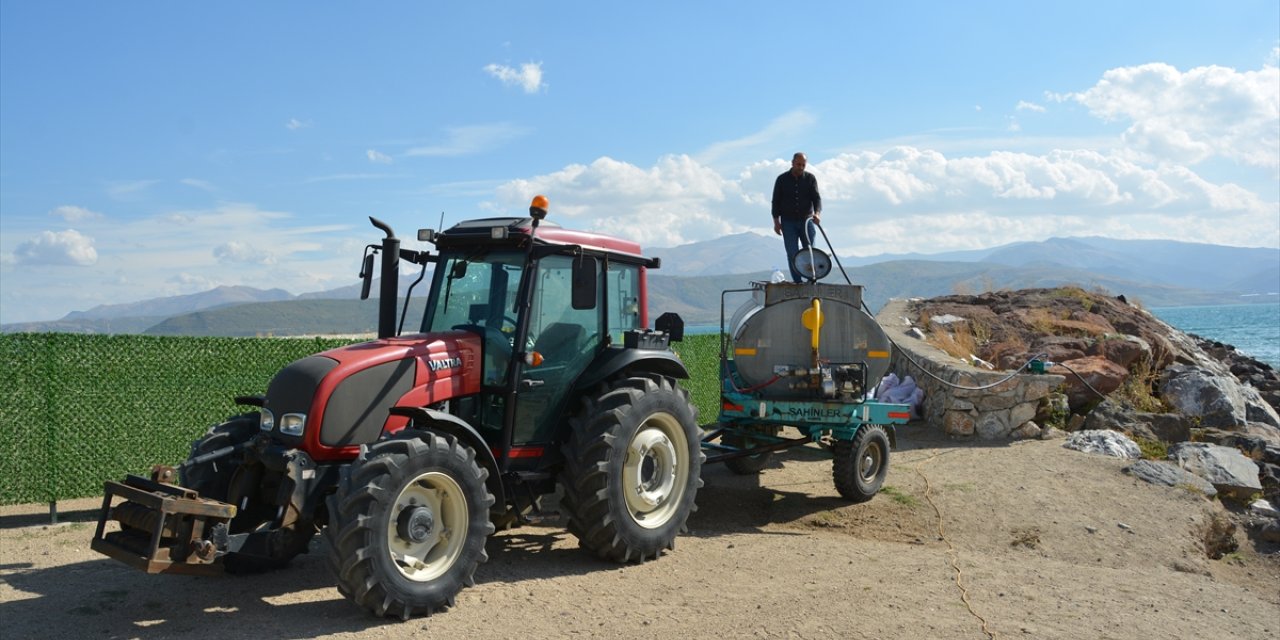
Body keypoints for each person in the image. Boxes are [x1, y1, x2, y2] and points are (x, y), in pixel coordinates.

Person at [771, 152, 822, 282]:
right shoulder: (782, 179)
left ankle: (811, 280)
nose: (800, 167)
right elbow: (775, 201)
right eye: (798, 164)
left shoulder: (810, 179)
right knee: (792, 253)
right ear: (792, 163)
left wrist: (817, 213)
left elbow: (816, 198)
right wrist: (776, 222)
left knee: (810, 252)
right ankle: (798, 282)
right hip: (788, 222)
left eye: (803, 165)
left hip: (806, 221)